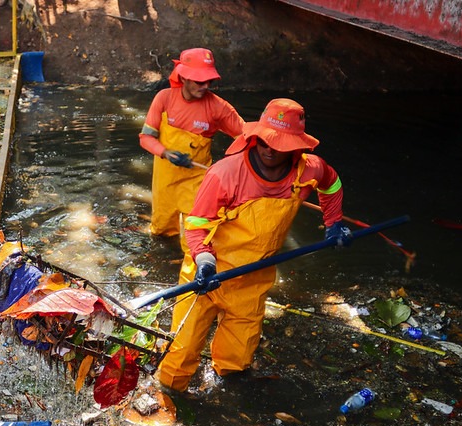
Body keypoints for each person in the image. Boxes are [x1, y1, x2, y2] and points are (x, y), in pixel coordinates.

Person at [157, 98, 352, 393]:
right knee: (181, 352)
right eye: (264, 142)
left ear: (297, 146)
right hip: (208, 272)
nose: (270, 149)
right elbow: (197, 225)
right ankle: (168, 393)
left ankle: (229, 397)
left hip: (253, 277)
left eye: (280, 145)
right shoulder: (224, 174)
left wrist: (333, 223)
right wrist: (204, 260)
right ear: (255, 136)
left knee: (237, 359)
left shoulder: (310, 170)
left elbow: (332, 183)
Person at [139, 48, 244, 245]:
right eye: (199, 81)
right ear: (184, 77)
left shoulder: (218, 108)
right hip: (165, 180)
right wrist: (166, 153)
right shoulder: (164, 98)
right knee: (161, 232)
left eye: (209, 81)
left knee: (196, 237)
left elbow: (247, 137)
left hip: (198, 180)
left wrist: (233, 169)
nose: (205, 86)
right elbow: (145, 138)